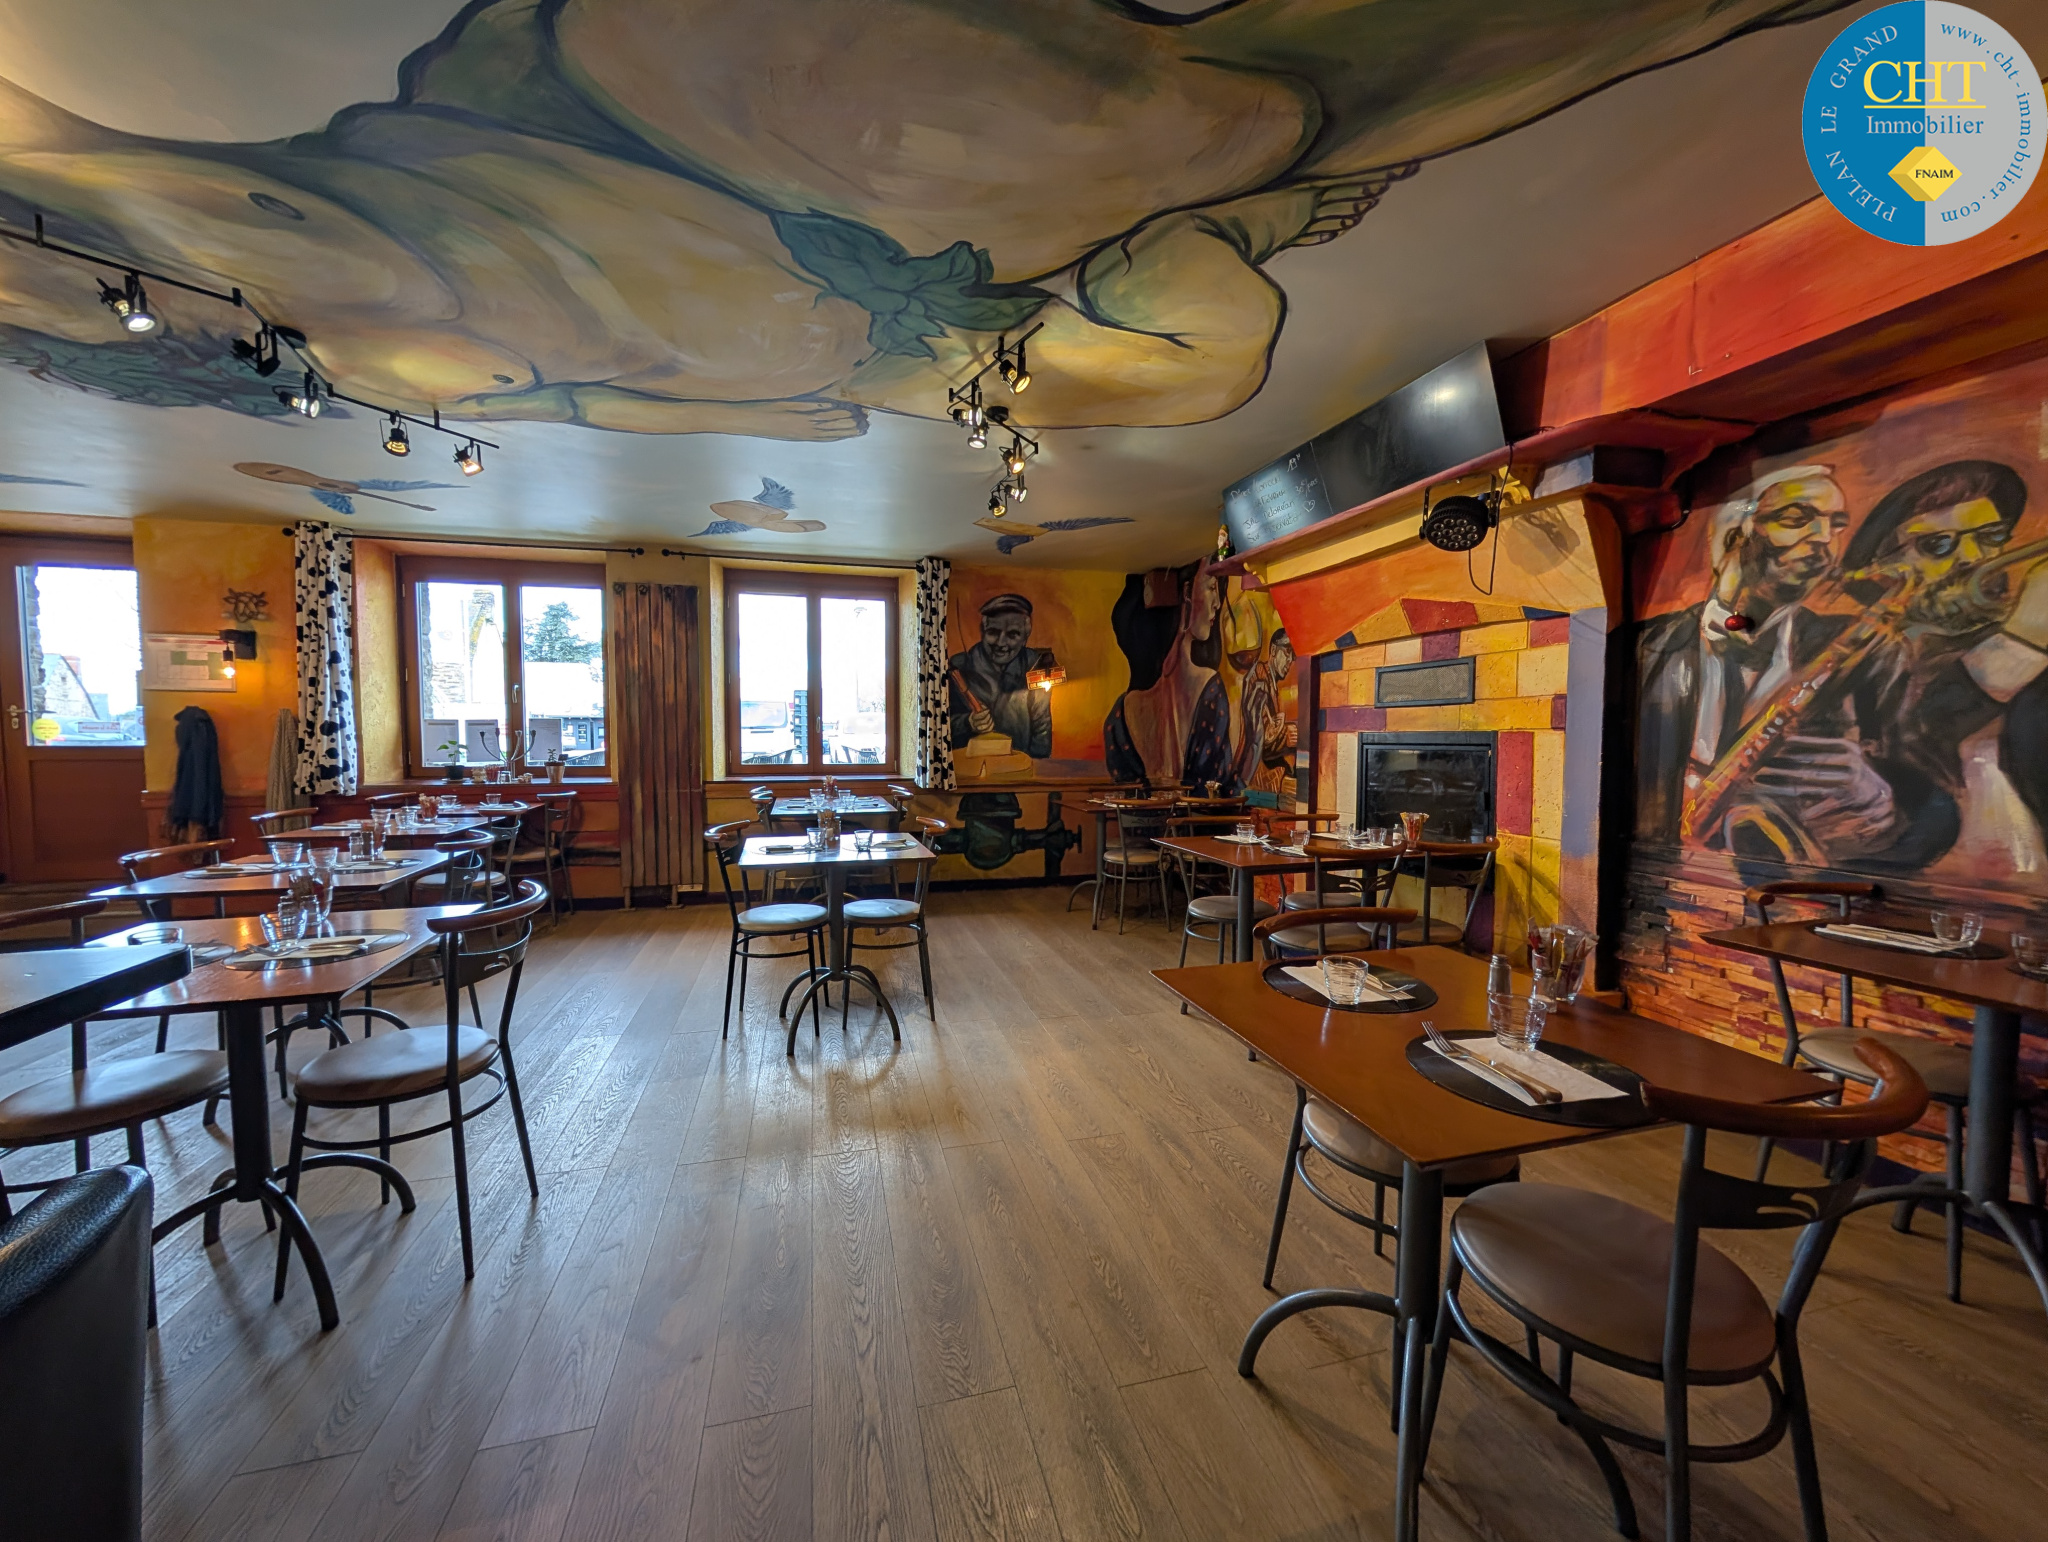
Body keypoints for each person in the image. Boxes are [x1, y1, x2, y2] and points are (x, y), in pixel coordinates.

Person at [1636, 466, 1925, 869]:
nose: (1824, 538)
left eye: (1836, 524)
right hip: (1668, 872)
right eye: (1796, 518)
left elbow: (1925, 794)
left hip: (1784, 882)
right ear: (1734, 535)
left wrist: (1876, 801)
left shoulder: (1874, 652)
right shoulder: (1646, 645)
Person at [1845, 460, 2046, 859]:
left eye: (1990, 537)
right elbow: (1919, 730)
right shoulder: (1874, 655)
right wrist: (2022, 638)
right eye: (1937, 545)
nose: (1973, 557)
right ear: (1881, 570)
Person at [1104, 565, 1234, 788]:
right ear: (1186, 593)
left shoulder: (1119, 715)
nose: (1218, 603)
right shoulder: (1211, 692)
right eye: (1212, 587)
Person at [947, 593, 1054, 759]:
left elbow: (1041, 728)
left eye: (1012, 635)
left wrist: (1035, 767)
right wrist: (968, 723)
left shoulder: (1035, 666)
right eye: (993, 632)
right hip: (972, 766)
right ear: (983, 631)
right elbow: (941, 727)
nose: (1001, 643)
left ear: (1025, 637)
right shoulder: (959, 666)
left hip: (1019, 766)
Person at [1235, 627, 1295, 796]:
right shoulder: (1260, 679)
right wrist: (1287, 736)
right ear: (1274, 651)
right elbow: (1261, 734)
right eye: (1287, 652)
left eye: (1293, 656)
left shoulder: (1271, 682)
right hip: (1251, 771)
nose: (1290, 660)